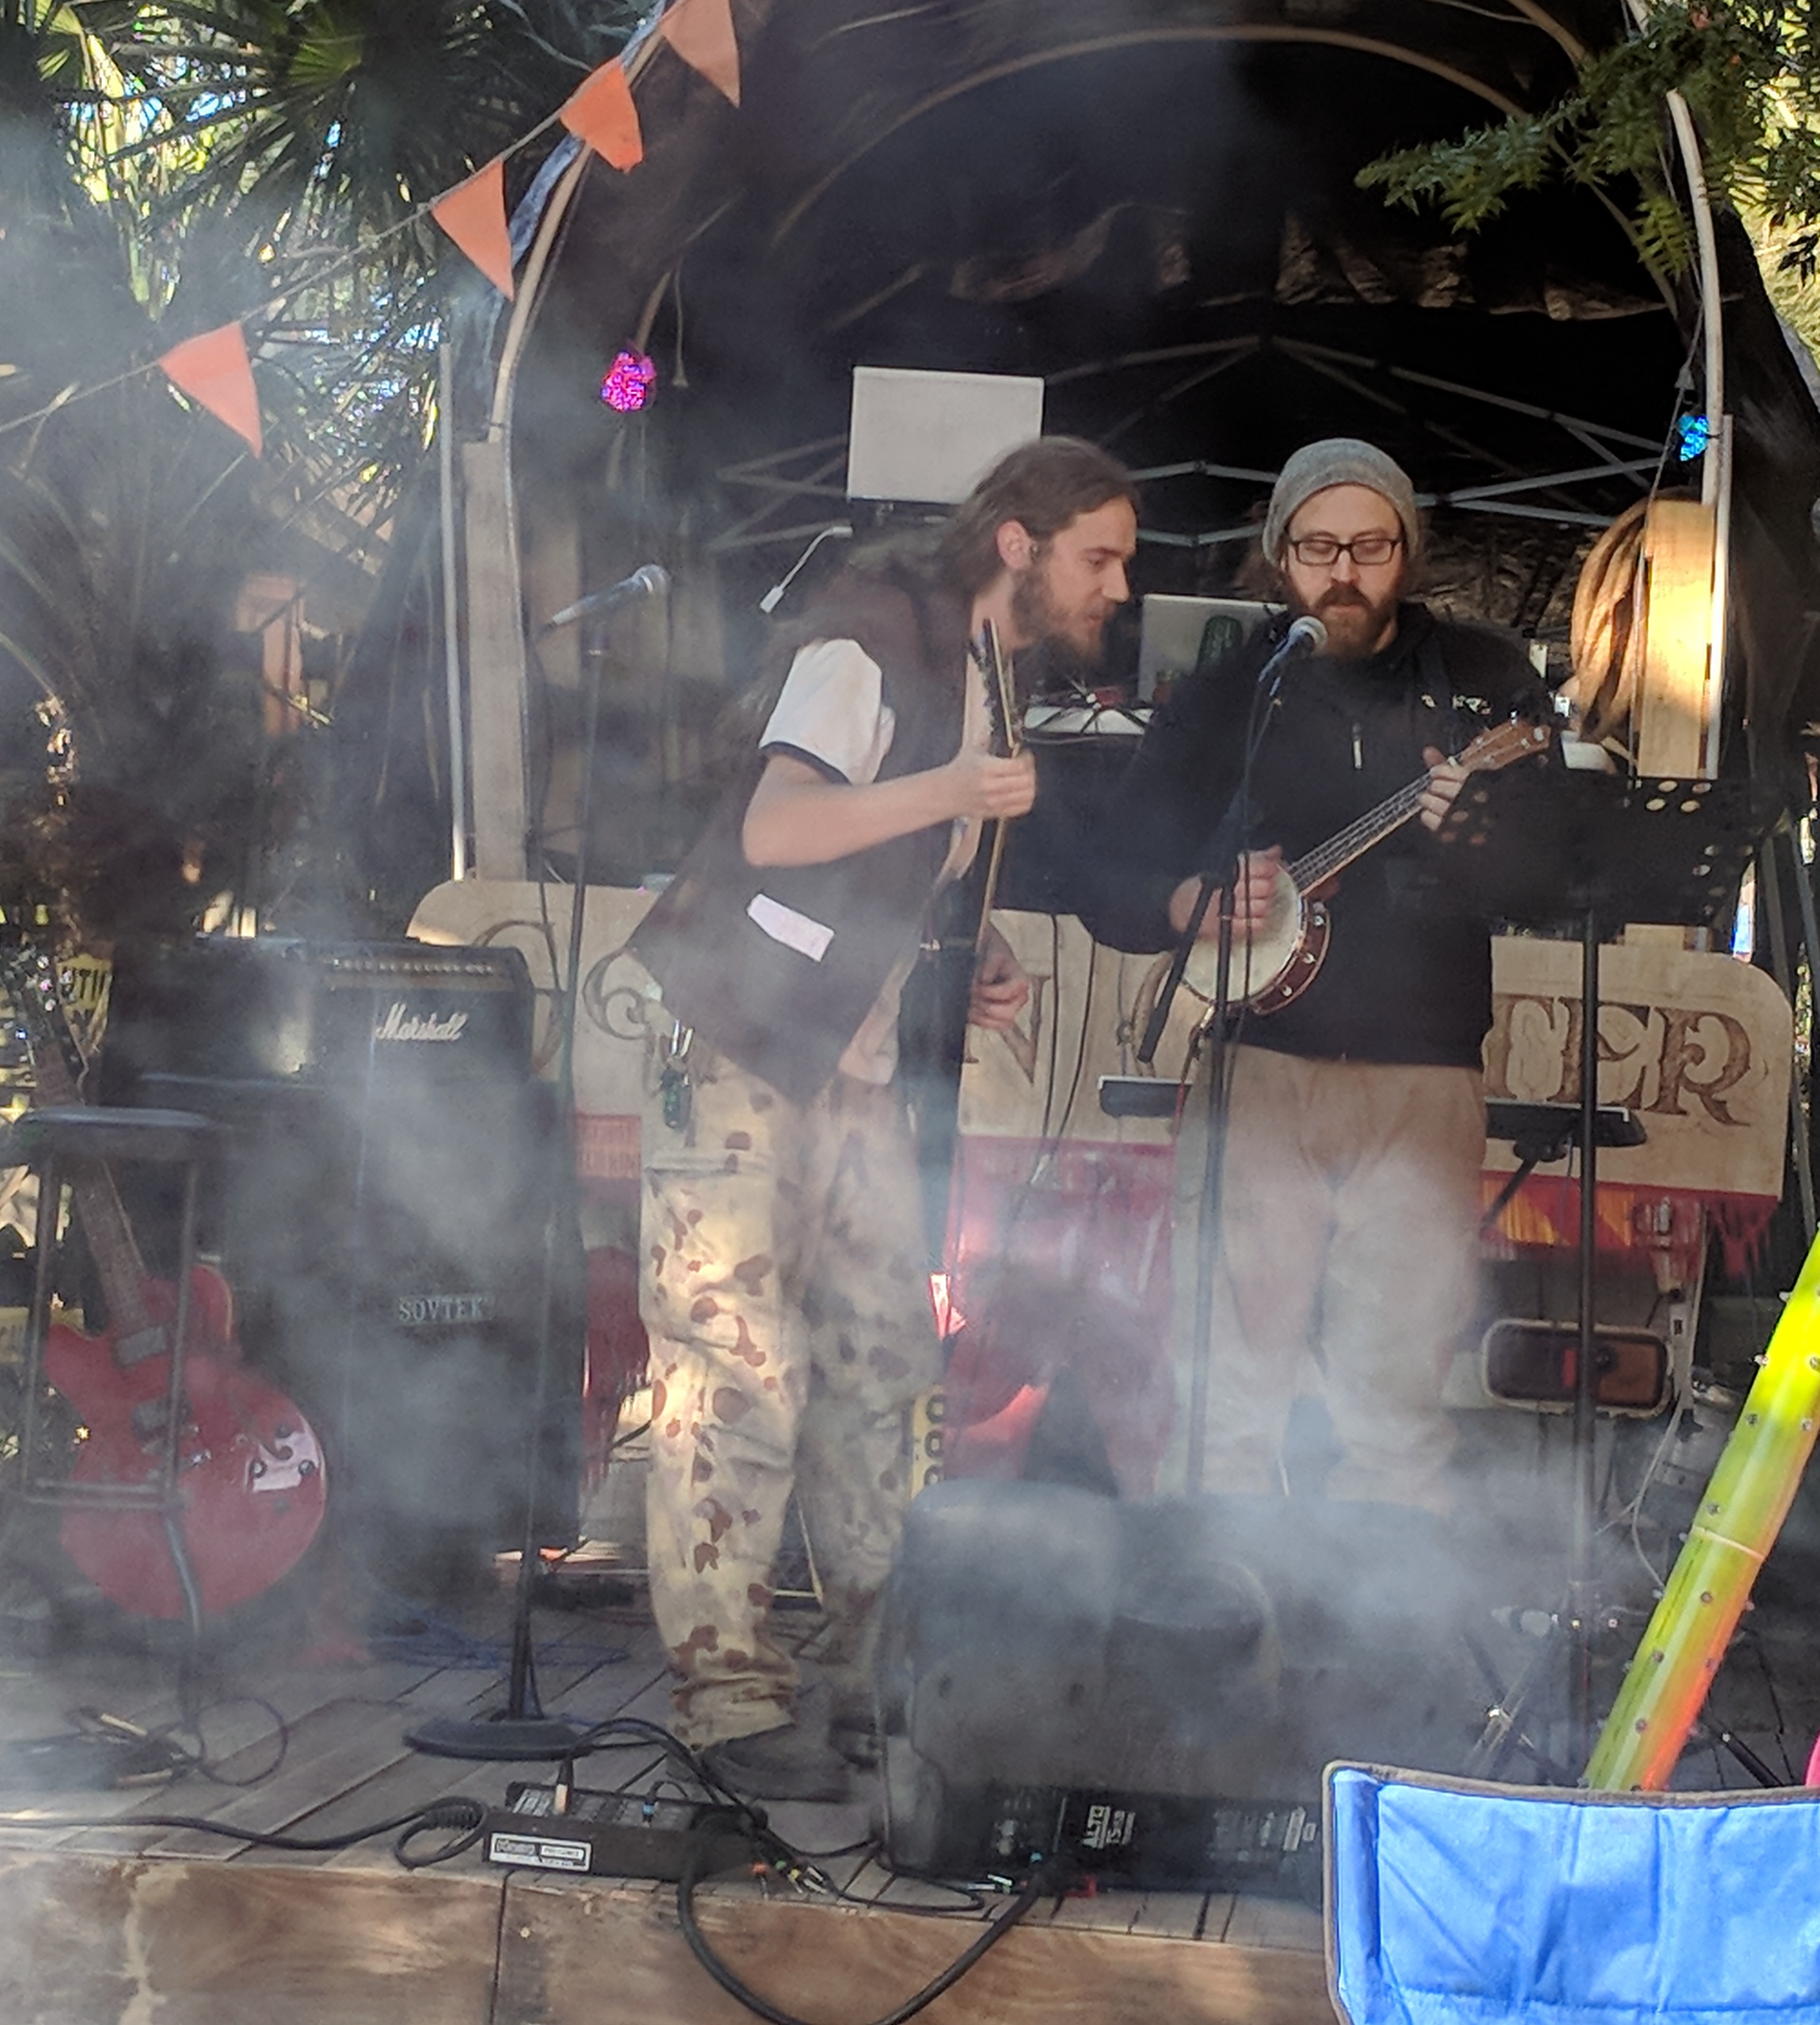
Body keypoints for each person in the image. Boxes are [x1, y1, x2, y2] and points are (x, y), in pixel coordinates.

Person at [626, 436, 1138, 1800]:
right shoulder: (870, 638)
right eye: (1100, 556)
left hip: (844, 1060)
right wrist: (955, 792)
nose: (1119, 586)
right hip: (736, 1039)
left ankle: (881, 1672)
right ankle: (729, 1700)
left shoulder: (986, 675)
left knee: (883, 1361)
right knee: (735, 1360)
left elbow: (887, 866)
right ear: (1020, 544)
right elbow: (781, 829)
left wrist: (967, 954)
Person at [1086, 437, 1553, 1512]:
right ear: (1279, 553)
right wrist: (1187, 902)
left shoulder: (1483, 680)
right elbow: (1109, 874)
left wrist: (1478, 833)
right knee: (1225, 1396)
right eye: (1318, 548)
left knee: (1399, 1402)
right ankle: (1215, 1598)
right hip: (1258, 1072)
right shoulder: (1230, 693)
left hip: (1424, 1079)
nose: (1344, 573)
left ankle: (1378, 1609)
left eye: (1370, 547)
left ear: (1408, 552)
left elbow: (1555, 875)